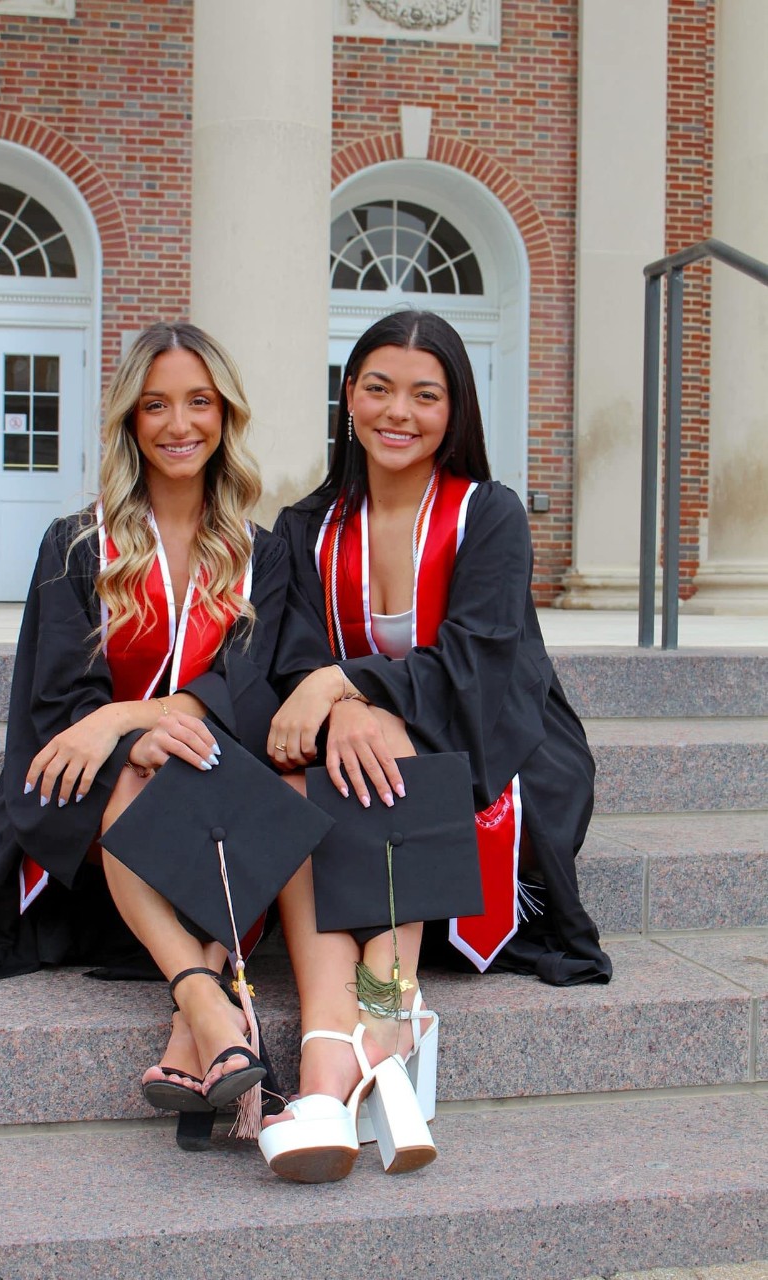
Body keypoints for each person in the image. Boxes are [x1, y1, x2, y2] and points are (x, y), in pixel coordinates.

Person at [0, 322, 290, 1140]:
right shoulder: (79, 544)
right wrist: (127, 740)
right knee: (137, 773)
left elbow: (252, 688)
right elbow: (59, 703)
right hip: (96, 808)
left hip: (213, 781)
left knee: (221, 782)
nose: (178, 424)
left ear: (225, 414)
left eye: (198, 402)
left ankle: (196, 1030)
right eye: (155, 405)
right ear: (129, 420)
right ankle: (205, 1000)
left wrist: (133, 715)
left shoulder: (262, 555)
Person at [259, 309, 611, 1182]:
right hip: (348, 746)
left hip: (496, 736)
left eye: (425, 395)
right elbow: (292, 657)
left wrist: (351, 691)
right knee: (300, 780)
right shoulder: (306, 526)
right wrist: (341, 702)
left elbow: (479, 660)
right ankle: (350, 1041)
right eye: (378, 388)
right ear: (348, 395)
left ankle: (372, 1025)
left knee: (379, 751)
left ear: (454, 411)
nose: (398, 412)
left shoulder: (485, 514)